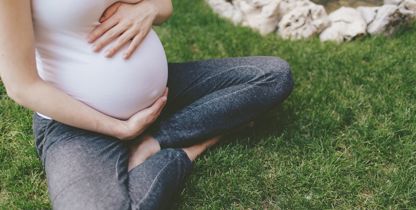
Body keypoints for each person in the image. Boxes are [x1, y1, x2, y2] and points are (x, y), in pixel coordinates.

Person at [0, 0, 294, 209]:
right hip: (76, 122)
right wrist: (118, 128)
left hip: (162, 95)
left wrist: (148, 9)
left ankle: (156, 141)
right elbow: (22, 86)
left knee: (272, 76)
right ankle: (189, 148)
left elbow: (164, 5)